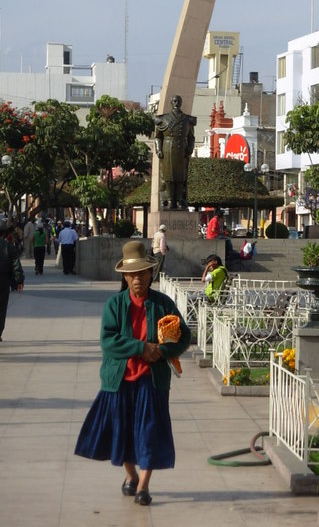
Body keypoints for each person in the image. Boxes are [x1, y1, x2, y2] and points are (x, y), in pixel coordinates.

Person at [74, 241, 191, 506]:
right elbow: (108, 341)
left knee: (149, 433)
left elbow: (184, 335)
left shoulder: (163, 304)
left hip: (152, 380)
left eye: (142, 273)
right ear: (125, 277)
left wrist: (161, 350)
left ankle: (143, 487)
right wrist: (141, 348)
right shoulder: (114, 305)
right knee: (122, 433)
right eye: (132, 274)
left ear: (150, 274)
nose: (137, 278)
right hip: (120, 381)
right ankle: (131, 476)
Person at [154, 95, 197, 210]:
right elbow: (158, 137)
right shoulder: (163, 119)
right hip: (168, 150)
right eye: (174, 101)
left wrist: (190, 148)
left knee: (180, 177)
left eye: (178, 101)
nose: (176, 102)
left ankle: (179, 200)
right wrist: (158, 149)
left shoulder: (187, 119)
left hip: (181, 150)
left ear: (181, 103)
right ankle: (169, 201)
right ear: (171, 103)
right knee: (168, 177)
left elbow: (191, 137)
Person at [0, 217, 24, 341]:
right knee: (2, 307)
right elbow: (16, 264)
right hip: (3, 280)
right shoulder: (9, 246)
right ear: (4, 233)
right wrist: (19, 280)